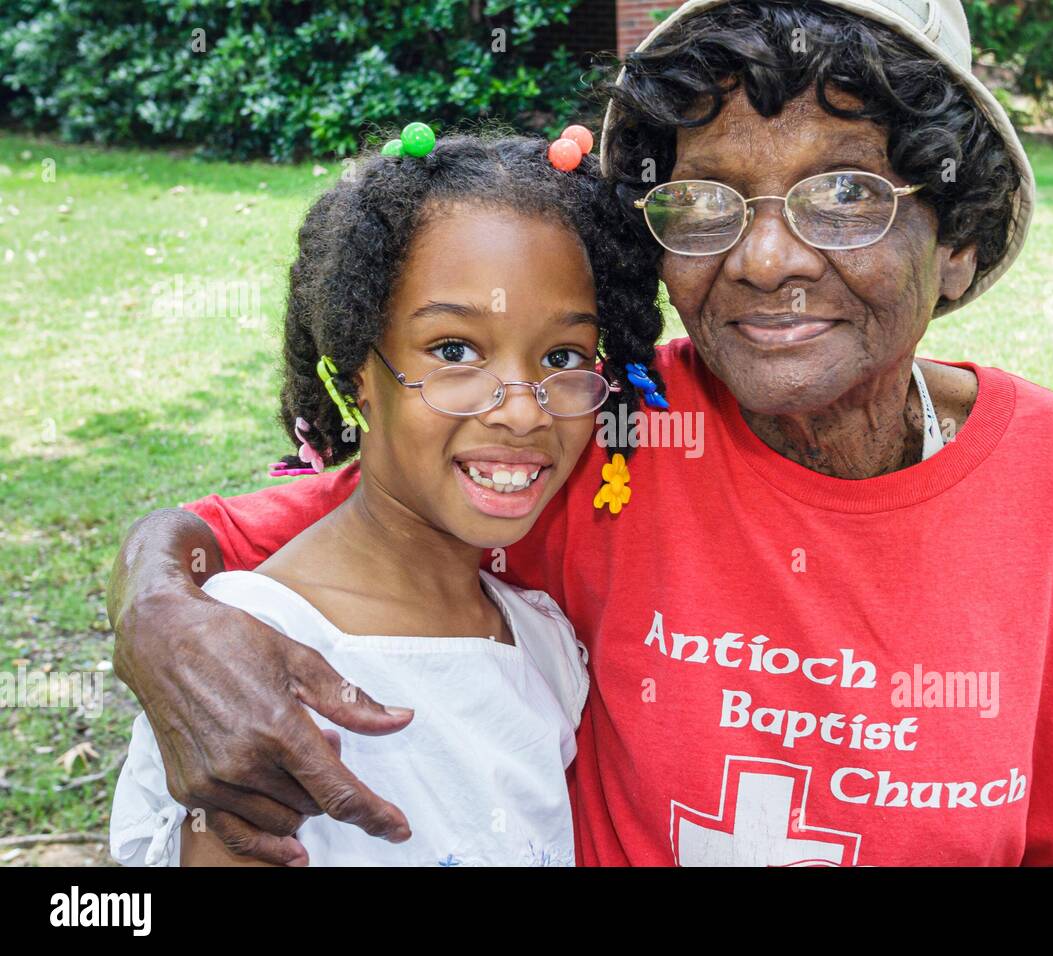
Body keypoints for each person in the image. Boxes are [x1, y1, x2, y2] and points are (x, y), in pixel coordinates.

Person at [108, 0, 1053, 866]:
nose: (766, 258)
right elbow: (270, 529)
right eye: (712, 203)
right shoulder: (610, 430)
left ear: (957, 239)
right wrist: (161, 612)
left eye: (842, 196)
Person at [107, 127, 664, 865]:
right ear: (355, 373)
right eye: (455, 351)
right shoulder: (248, 660)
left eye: (562, 357)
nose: (524, 411)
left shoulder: (542, 644)